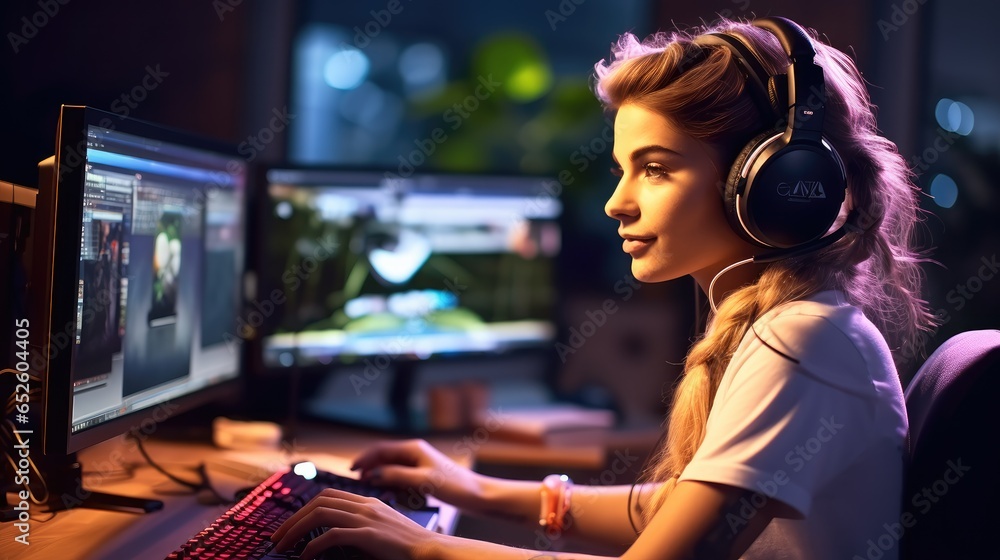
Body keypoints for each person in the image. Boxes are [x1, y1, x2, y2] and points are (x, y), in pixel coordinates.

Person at [270, 16, 935, 560]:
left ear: (767, 185)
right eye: (622, 169)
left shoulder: (805, 342)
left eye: (654, 169)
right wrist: (468, 487)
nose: (617, 202)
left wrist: (424, 550)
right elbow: (676, 507)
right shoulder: (791, 326)